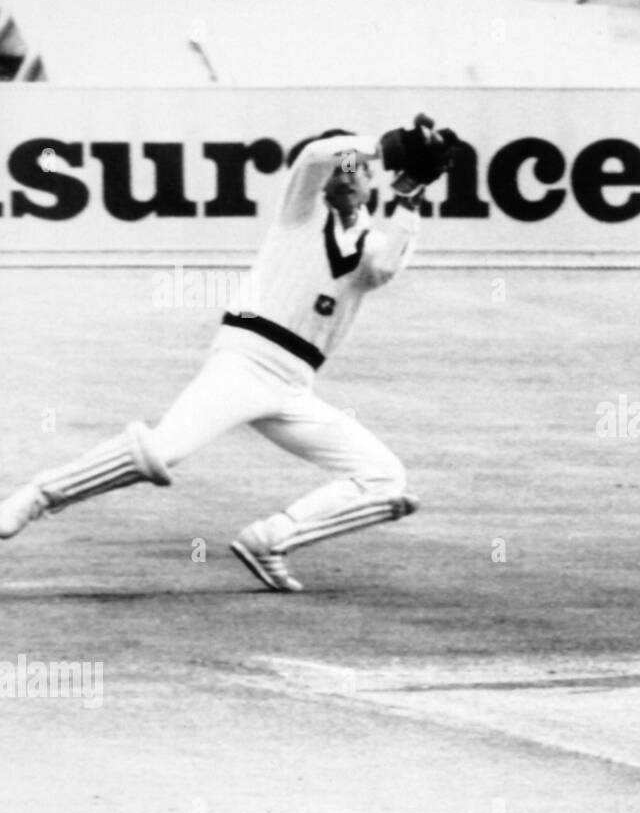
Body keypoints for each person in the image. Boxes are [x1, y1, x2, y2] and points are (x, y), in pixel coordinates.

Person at [0, 115, 465, 593]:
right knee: (162, 452)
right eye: (341, 166)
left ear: (372, 184)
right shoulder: (299, 214)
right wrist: (390, 146)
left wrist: (412, 190)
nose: (347, 174)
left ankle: (270, 539)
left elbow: (384, 267)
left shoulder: (369, 246)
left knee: (385, 477)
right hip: (244, 363)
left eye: (358, 169)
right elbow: (315, 157)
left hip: (291, 386)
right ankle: (35, 497)